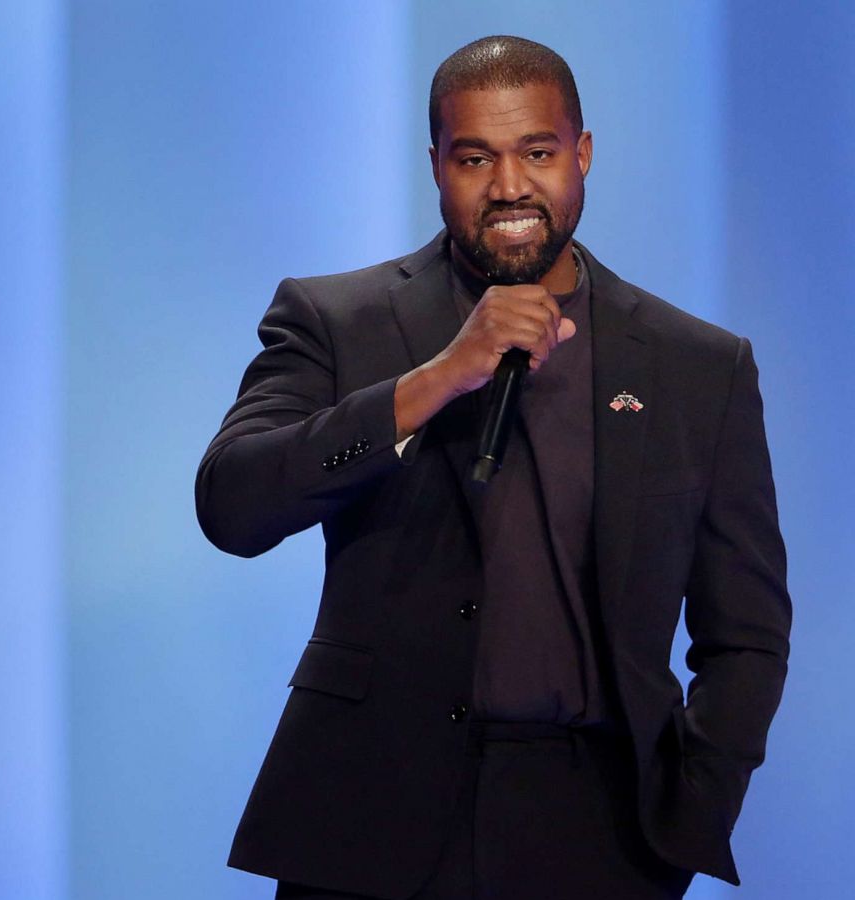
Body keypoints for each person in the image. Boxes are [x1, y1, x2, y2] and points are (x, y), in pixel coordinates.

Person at [196, 35, 789, 900]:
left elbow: (748, 634)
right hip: (369, 824)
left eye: (537, 152)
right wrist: (434, 380)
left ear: (581, 154)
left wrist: (688, 814)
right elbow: (232, 506)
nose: (509, 186)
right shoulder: (335, 319)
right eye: (474, 157)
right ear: (435, 165)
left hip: (601, 836)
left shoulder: (697, 365)